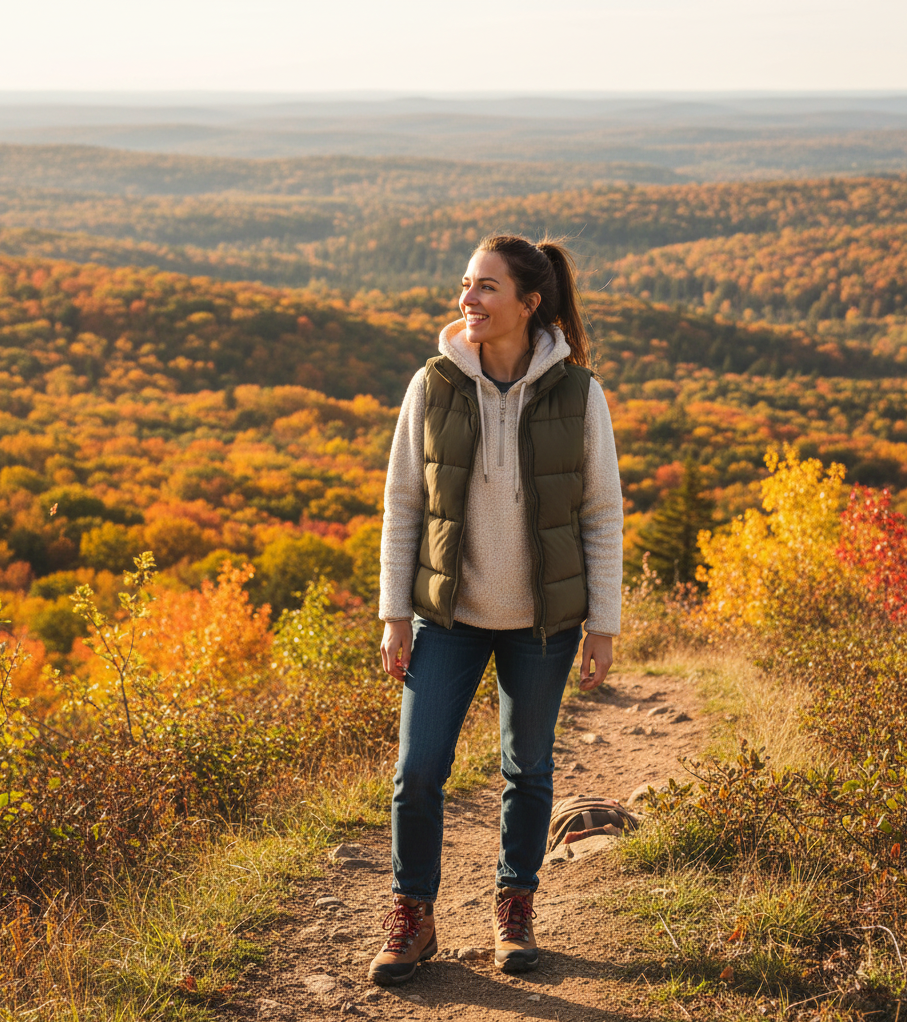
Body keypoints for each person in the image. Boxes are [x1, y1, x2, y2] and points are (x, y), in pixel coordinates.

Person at [368, 234, 623, 986]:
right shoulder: (434, 384)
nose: (467, 300)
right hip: (445, 615)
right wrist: (392, 615)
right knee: (417, 770)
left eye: (485, 287)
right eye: (465, 284)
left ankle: (515, 907)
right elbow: (402, 503)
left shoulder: (578, 393)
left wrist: (602, 626)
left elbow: (602, 513)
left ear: (527, 301)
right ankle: (412, 916)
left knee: (528, 768)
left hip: (543, 624)